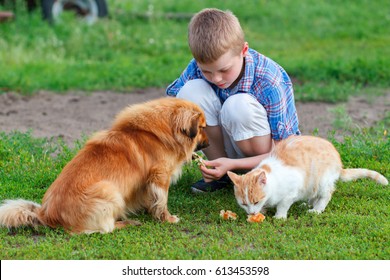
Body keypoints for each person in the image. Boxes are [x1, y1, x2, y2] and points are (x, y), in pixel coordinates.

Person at [166, 8, 300, 193]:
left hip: (268, 159)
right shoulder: (196, 68)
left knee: (237, 106)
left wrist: (233, 163)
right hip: (224, 149)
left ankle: (255, 176)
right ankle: (220, 175)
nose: (216, 78)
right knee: (189, 92)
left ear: (243, 50)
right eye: (207, 71)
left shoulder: (269, 80)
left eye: (224, 70)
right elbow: (171, 111)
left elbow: (286, 152)